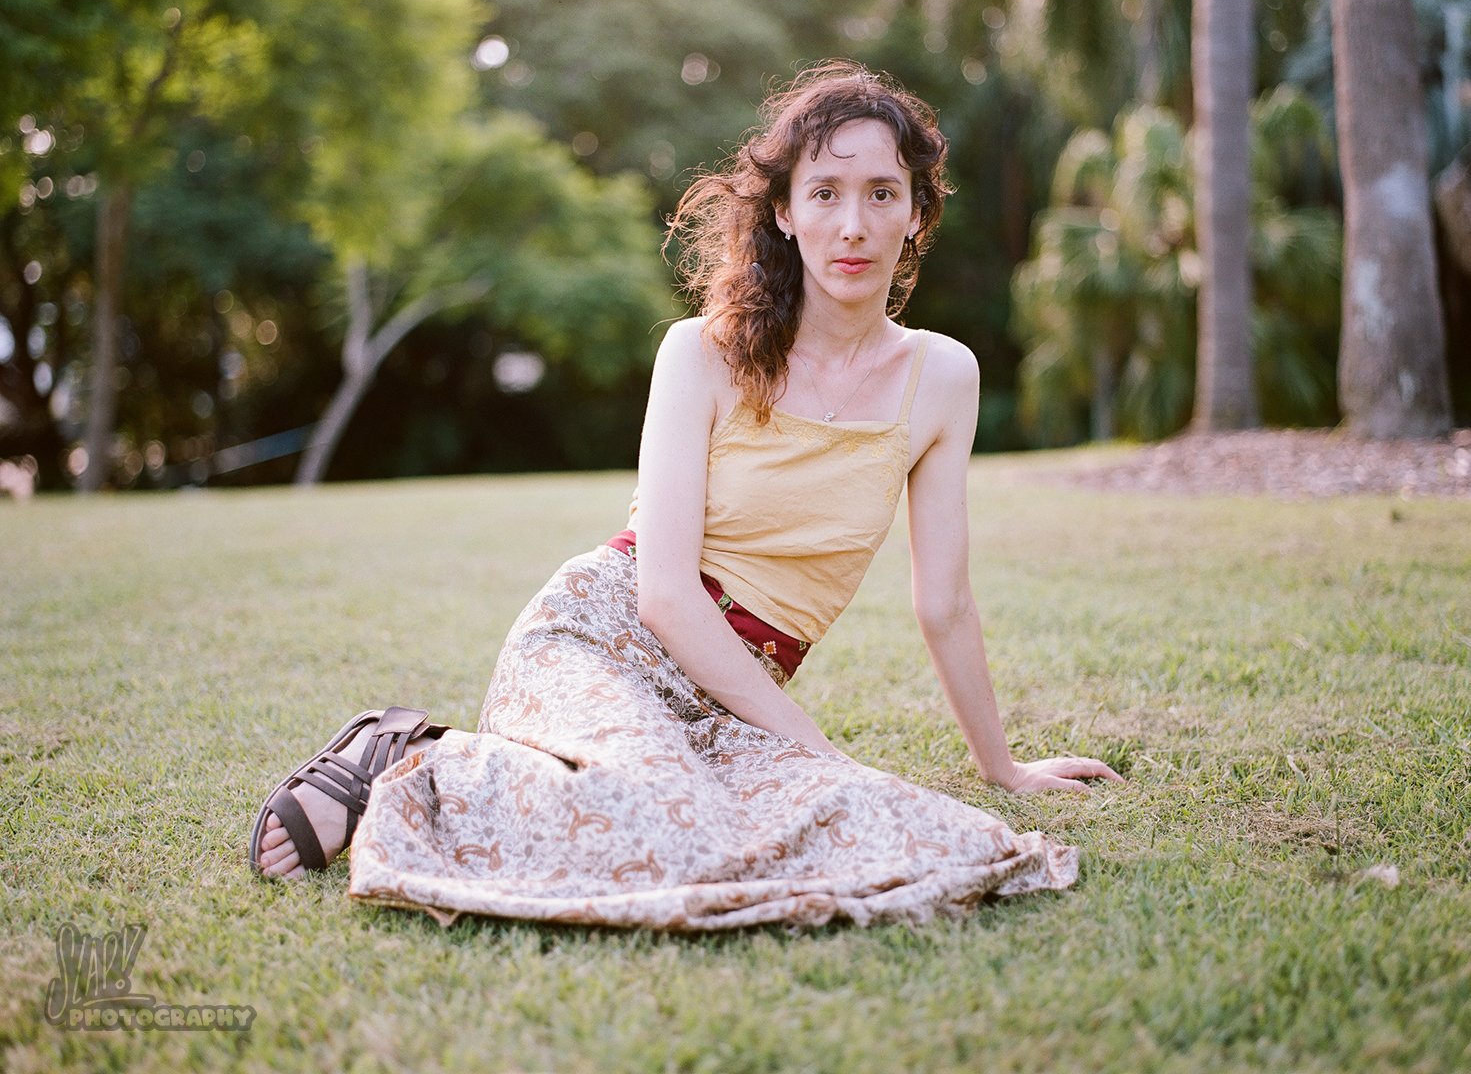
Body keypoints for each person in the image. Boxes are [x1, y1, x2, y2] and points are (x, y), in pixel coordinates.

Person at [249, 60, 1122, 930]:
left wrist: (1002, 768)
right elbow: (663, 594)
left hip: (732, 691)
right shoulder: (700, 353)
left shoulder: (940, 376)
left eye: (881, 194)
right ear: (783, 211)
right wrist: (811, 745)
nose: (852, 226)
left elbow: (945, 601)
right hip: (603, 637)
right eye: (823, 193)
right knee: (657, 809)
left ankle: (548, 778)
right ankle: (408, 758)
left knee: (896, 832)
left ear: (918, 212)